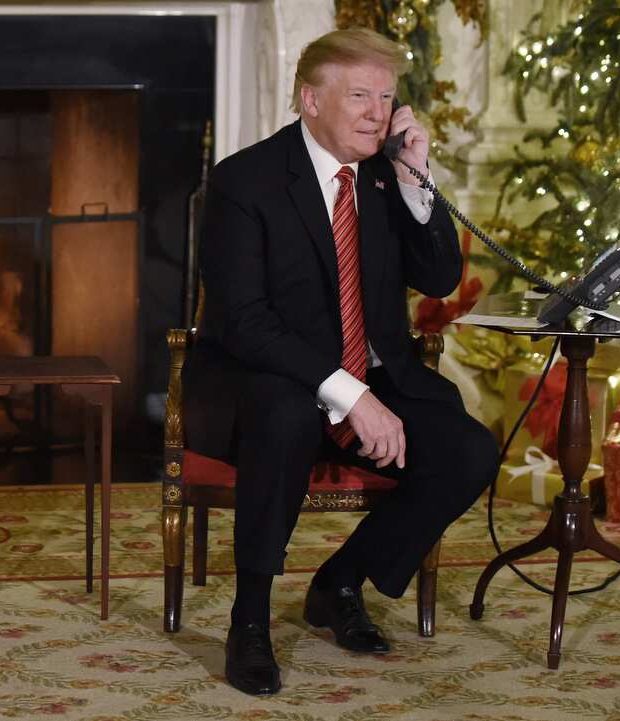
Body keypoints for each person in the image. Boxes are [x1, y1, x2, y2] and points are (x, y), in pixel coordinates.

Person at [182, 27, 498, 696]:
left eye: (386, 97)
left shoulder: (386, 177)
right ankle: (251, 621)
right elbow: (245, 322)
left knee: (468, 449)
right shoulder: (245, 180)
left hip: (371, 374)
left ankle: (339, 581)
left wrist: (418, 182)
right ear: (311, 99)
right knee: (285, 410)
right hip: (257, 377)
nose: (376, 114)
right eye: (358, 95)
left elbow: (439, 277)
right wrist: (348, 392)